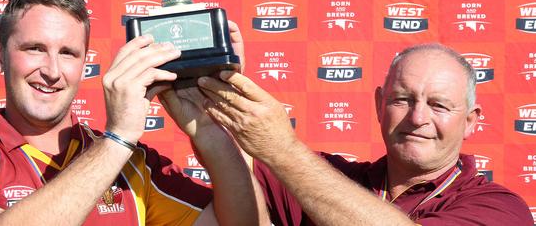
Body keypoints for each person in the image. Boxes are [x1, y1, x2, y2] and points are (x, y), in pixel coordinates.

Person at [0, 0, 266, 225]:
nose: (52, 71)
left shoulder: (137, 165)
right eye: (35, 48)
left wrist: (207, 128)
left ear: (85, 63)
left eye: (68, 53)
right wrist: (116, 140)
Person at [197, 43, 533, 225]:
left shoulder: (500, 209)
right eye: (402, 99)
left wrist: (283, 150)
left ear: (471, 122)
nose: (418, 117)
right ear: (379, 104)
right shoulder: (329, 176)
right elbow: (238, 164)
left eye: (439, 105)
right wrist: (212, 86)